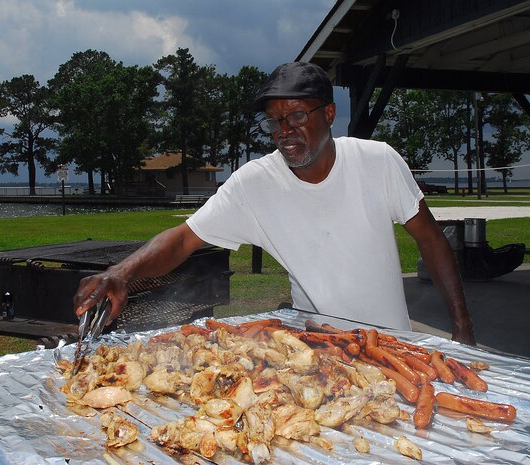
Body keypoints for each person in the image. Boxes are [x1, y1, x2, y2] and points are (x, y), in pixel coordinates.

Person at [74, 61, 476, 345]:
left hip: (391, 346)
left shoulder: (378, 161)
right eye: (274, 121)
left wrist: (461, 325)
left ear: (329, 113)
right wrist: (121, 274)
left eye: (297, 116)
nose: (285, 132)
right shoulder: (255, 183)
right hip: (315, 351)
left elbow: (431, 239)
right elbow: (183, 239)